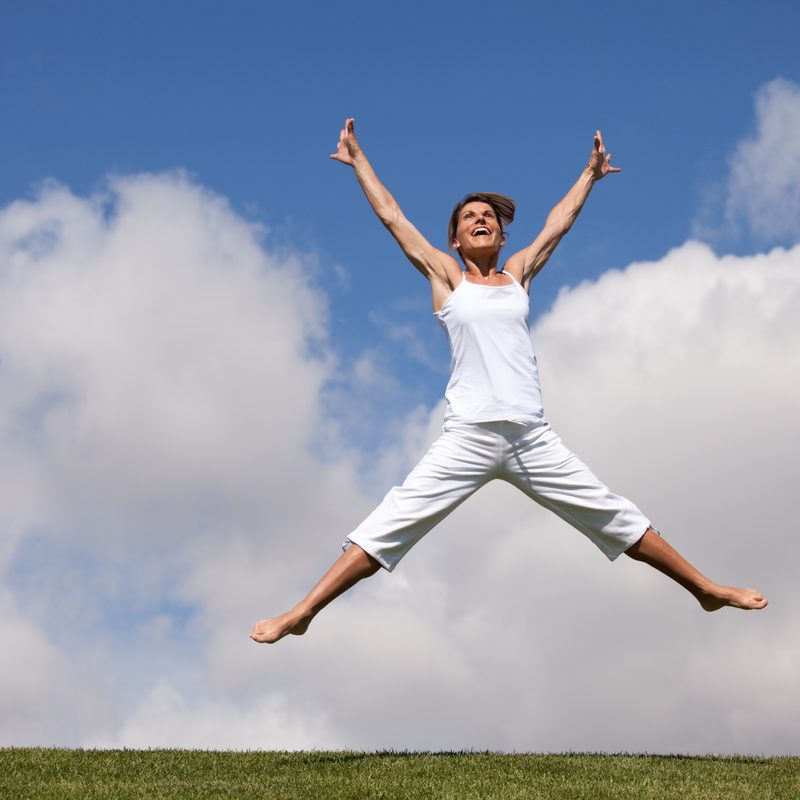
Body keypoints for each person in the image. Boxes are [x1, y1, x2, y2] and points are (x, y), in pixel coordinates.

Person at [251, 119, 767, 644]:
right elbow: (393, 217)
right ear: (454, 239)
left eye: (489, 217)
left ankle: (705, 589)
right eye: (469, 218)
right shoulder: (446, 277)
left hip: (530, 438)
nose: (481, 220)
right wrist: (359, 162)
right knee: (390, 521)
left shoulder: (518, 274)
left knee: (613, 512)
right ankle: (304, 611)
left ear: (501, 234)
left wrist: (590, 175)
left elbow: (558, 224)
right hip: (468, 436)